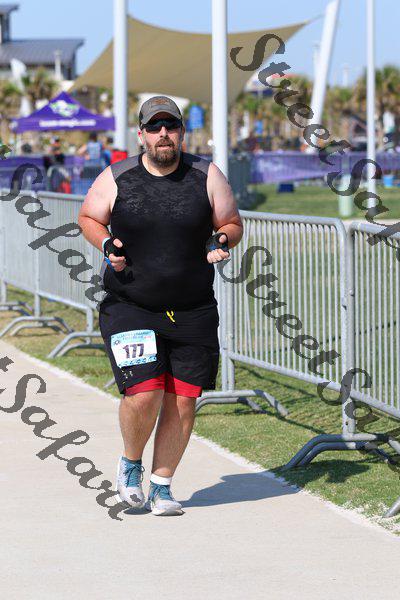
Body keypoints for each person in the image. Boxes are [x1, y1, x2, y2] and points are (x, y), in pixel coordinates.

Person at [78, 95, 243, 516]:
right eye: (155, 127)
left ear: (182, 132)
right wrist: (106, 244)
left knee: (183, 400)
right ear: (142, 134)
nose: (163, 133)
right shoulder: (118, 176)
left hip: (193, 309)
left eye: (171, 126)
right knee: (144, 393)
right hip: (131, 304)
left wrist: (221, 239)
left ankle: (162, 487)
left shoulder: (206, 174)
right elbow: (89, 217)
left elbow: (231, 222)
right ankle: (131, 464)